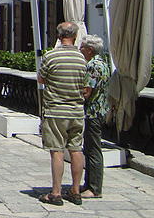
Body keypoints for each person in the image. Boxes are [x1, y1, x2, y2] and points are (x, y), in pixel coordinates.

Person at [36, 22, 87, 206]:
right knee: (76, 149)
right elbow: (85, 84)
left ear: (58, 37)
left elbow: (41, 78)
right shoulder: (82, 58)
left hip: (56, 109)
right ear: (75, 36)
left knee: (57, 151)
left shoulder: (51, 56)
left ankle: (56, 192)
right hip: (77, 111)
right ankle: (75, 189)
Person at [79, 34, 109, 199]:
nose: (80, 49)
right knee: (91, 148)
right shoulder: (103, 63)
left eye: (82, 47)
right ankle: (89, 183)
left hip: (93, 112)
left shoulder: (92, 66)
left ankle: (95, 187)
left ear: (89, 50)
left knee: (92, 150)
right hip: (101, 110)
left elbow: (87, 92)